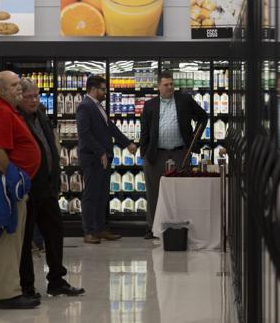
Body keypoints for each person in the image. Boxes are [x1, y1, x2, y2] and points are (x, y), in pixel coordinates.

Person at [16, 78, 84, 298]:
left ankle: (56, 280)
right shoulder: (17, 119)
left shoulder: (41, 116)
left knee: (54, 233)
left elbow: (51, 146)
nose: (33, 100)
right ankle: (26, 285)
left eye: (35, 96)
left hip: (47, 186)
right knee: (25, 239)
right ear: (19, 98)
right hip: (29, 186)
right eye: (28, 97)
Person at [0, 71, 42, 309]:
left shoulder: (8, 110)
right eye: (14, 85)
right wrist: (13, 178)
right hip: (7, 186)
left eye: (19, 84)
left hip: (8, 184)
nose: (19, 88)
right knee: (10, 240)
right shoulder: (2, 113)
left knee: (4, 240)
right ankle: (9, 293)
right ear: (0, 90)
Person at [139, 71, 208, 239]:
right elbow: (144, 131)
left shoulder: (184, 100)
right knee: (154, 192)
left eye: (171, 84)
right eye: (166, 84)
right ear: (158, 86)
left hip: (180, 153)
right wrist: (144, 153)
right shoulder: (150, 105)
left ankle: (182, 227)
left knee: (182, 191)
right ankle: (152, 228)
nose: (170, 87)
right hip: (156, 155)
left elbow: (203, 117)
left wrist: (194, 139)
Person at [76, 75, 137, 244]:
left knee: (102, 195)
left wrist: (127, 143)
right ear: (93, 89)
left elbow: (111, 128)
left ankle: (100, 228)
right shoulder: (84, 106)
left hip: (103, 157)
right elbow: (84, 133)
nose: (105, 92)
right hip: (93, 158)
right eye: (103, 89)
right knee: (91, 195)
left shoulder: (98, 106)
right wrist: (100, 151)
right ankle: (89, 231)